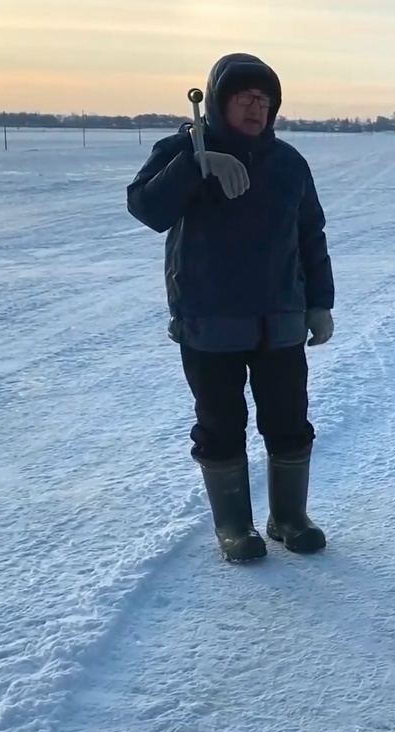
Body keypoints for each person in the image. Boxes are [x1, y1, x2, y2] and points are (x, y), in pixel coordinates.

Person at [126, 52, 336, 562]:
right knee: (220, 425)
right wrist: (194, 164)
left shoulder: (288, 162)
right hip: (209, 320)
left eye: (264, 100)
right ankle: (234, 527)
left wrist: (320, 304)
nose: (255, 108)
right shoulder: (182, 150)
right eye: (244, 98)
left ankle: (289, 518)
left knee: (290, 421)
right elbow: (147, 208)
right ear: (219, 102)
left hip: (280, 320)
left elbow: (310, 234)